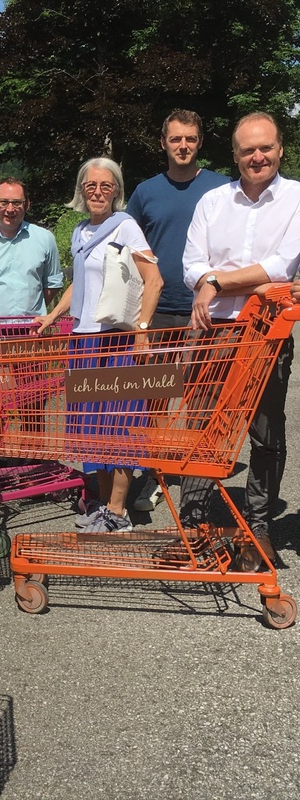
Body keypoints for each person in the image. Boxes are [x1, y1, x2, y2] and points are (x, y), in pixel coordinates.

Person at [182, 111, 300, 565]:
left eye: (265, 147)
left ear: (280, 149)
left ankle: (258, 526)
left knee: (266, 435)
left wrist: (214, 281)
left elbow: (280, 268)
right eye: (248, 149)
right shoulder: (212, 202)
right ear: (234, 155)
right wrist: (210, 278)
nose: (257, 156)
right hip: (216, 332)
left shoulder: (294, 199)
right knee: (204, 428)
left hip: (268, 335)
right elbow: (191, 265)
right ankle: (194, 522)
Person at [34, 157, 163, 533]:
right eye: (91, 185)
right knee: (92, 428)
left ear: (117, 191)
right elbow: (80, 284)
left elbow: (153, 279)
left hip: (115, 340)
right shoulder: (79, 231)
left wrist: (140, 332)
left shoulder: (125, 227)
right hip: (83, 340)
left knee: (119, 423)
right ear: (81, 190)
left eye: (106, 186)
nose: (98, 192)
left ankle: (119, 512)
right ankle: (104, 505)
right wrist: (55, 314)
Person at [127, 110, 230, 512]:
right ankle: (155, 473)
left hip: (209, 312)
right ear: (163, 143)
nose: (183, 146)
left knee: (201, 398)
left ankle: (196, 483)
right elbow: (129, 246)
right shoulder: (146, 191)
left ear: (200, 141)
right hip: (157, 312)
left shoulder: (221, 188)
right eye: (175, 139)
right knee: (154, 399)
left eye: (190, 139)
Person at [0, 177, 64, 322]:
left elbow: (53, 284)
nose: (10, 209)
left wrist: (32, 310)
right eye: (4, 202)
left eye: (16, 203)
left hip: (33, 332)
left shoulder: (45, 239)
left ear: (27, 204)